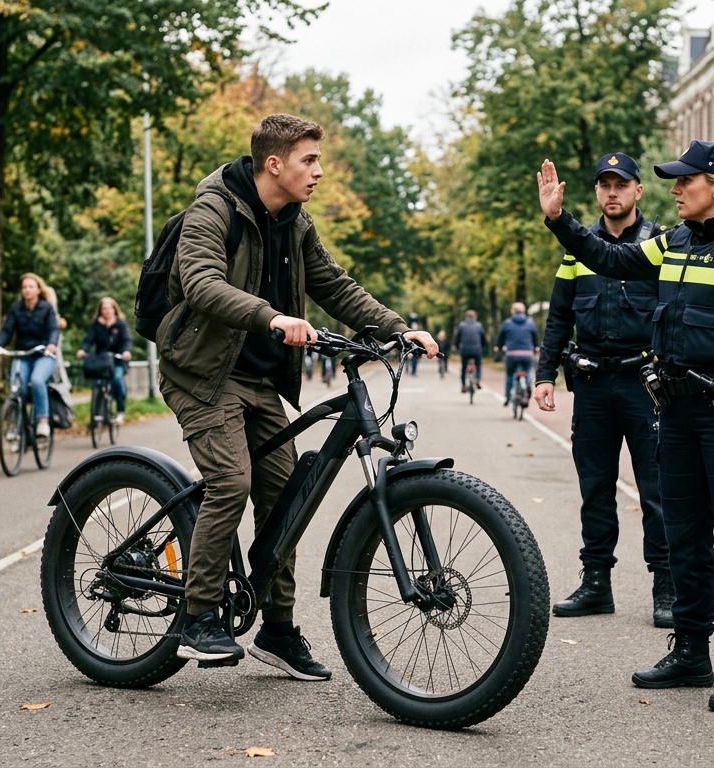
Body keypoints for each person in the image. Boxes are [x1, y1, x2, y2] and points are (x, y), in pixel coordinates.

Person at [157, 114, 437, 679]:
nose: (319, 171)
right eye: (309, 160)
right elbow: (201, 283)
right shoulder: (215, 208)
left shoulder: (295, 222)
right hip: (201, 373)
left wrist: (396, 328)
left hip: (258, 381)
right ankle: (198, 616)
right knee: (231, 482)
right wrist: (272, 317)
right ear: (274, 163)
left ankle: (278, 630)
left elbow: (333, 283)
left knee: (286, 499)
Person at [537, 140, 714, 713]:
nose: (675, 189)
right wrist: (560, 220)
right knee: (683, 537)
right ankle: (691, 652)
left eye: (686, 181)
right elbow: (612, 260)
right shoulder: (675, 241)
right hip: (675, 414)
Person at [534, 151, 672, 627]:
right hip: (592, 385)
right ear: (596, 192)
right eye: (604, 185)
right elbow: (559, 315)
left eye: (621, 184)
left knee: (657, 490)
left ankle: (666, 588)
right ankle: (596, 584)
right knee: (595, 489)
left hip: (645, 385)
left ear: (638, 190)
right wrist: (545, 374)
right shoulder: (579, 248)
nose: (612, 193)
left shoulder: (657, 245)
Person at [0, 273, 59, 437]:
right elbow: (7, 330)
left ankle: (42, 420)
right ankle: (20, 427)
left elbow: (53, 329)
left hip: (43, 355)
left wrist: (51, 344)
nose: (27, 290)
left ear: (38, 290)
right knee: (17, 389)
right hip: (23, 355)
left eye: (30, 287)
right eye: (24, 287)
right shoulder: (16, 309)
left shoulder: (46, 308)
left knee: (37, 381)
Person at [76, 296, 133, 424]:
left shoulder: (121, 324)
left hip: (118, 360)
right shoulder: (96, 325)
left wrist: (126, 351)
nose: (107, 311)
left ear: (114, 309)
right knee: (98, 383)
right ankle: (98, 411)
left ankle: (120, 410)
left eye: (109, 308)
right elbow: (88, 340)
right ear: (100, 310)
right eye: (104, 308)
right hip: (102, 361)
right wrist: (82, 350)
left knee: (117, 379)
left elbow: (126, 341)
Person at [495, 302, 539, 406]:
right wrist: (536, 347)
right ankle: (526, 390)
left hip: (512, 353)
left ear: (512, 311)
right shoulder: (530, 323)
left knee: (510, 374)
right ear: (524, 311)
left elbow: (501, 337)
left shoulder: (507, 323)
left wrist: (498, 347)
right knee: (527, 371)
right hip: (527, 353)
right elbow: (535, 337)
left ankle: (508, 397)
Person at [455, 310, 486, 391]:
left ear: (466, 317)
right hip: (476, 349)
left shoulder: (462, 325)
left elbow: (457, 338)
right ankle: (478, 379)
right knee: (478, 364)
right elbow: (483, 338)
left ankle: (463, 385)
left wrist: (456, 346)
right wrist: (483, 346)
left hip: (465, 350)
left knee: (464, 367)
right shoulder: (479, 325)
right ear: (475, 316)